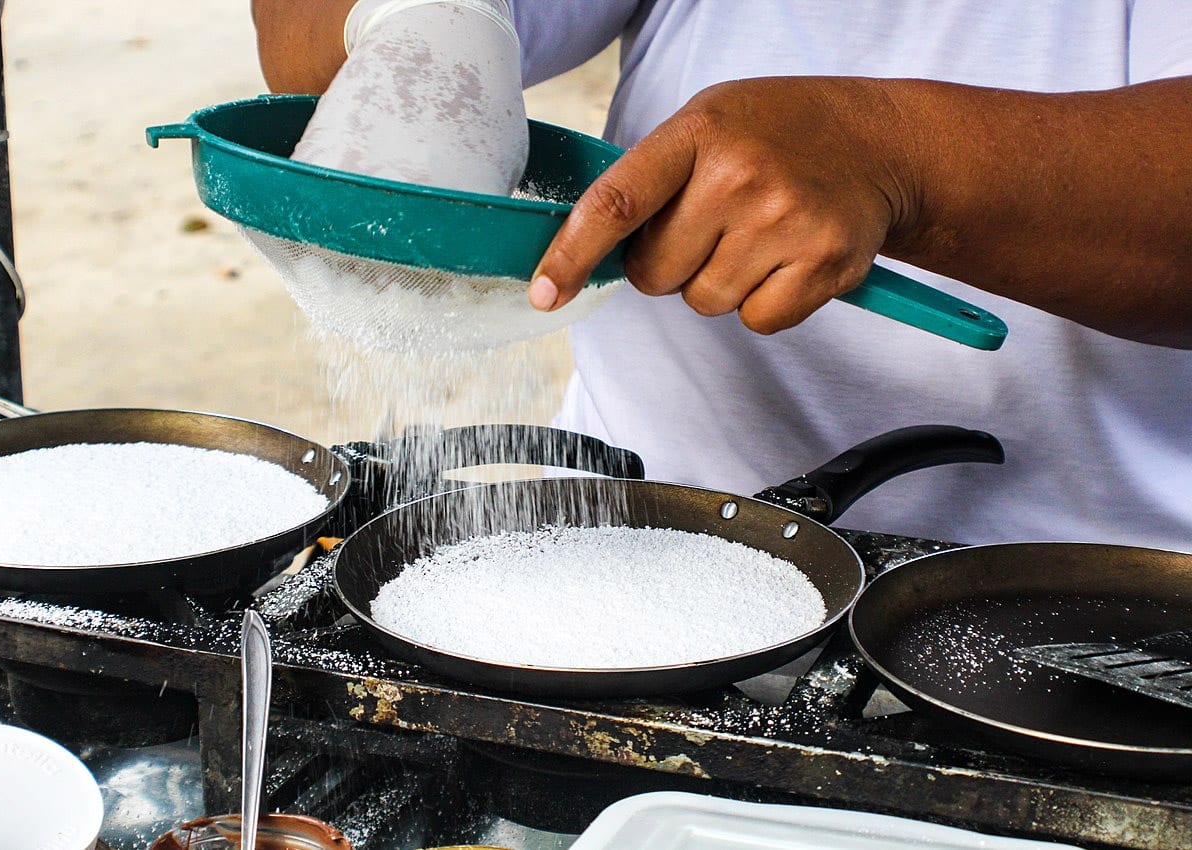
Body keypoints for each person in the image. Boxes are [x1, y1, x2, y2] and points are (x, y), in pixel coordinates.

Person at [251, 1, 1192, 551]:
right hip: (623, 528)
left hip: (1097, 602)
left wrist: (904, 158)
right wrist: (423, 19)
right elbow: (310, 39)